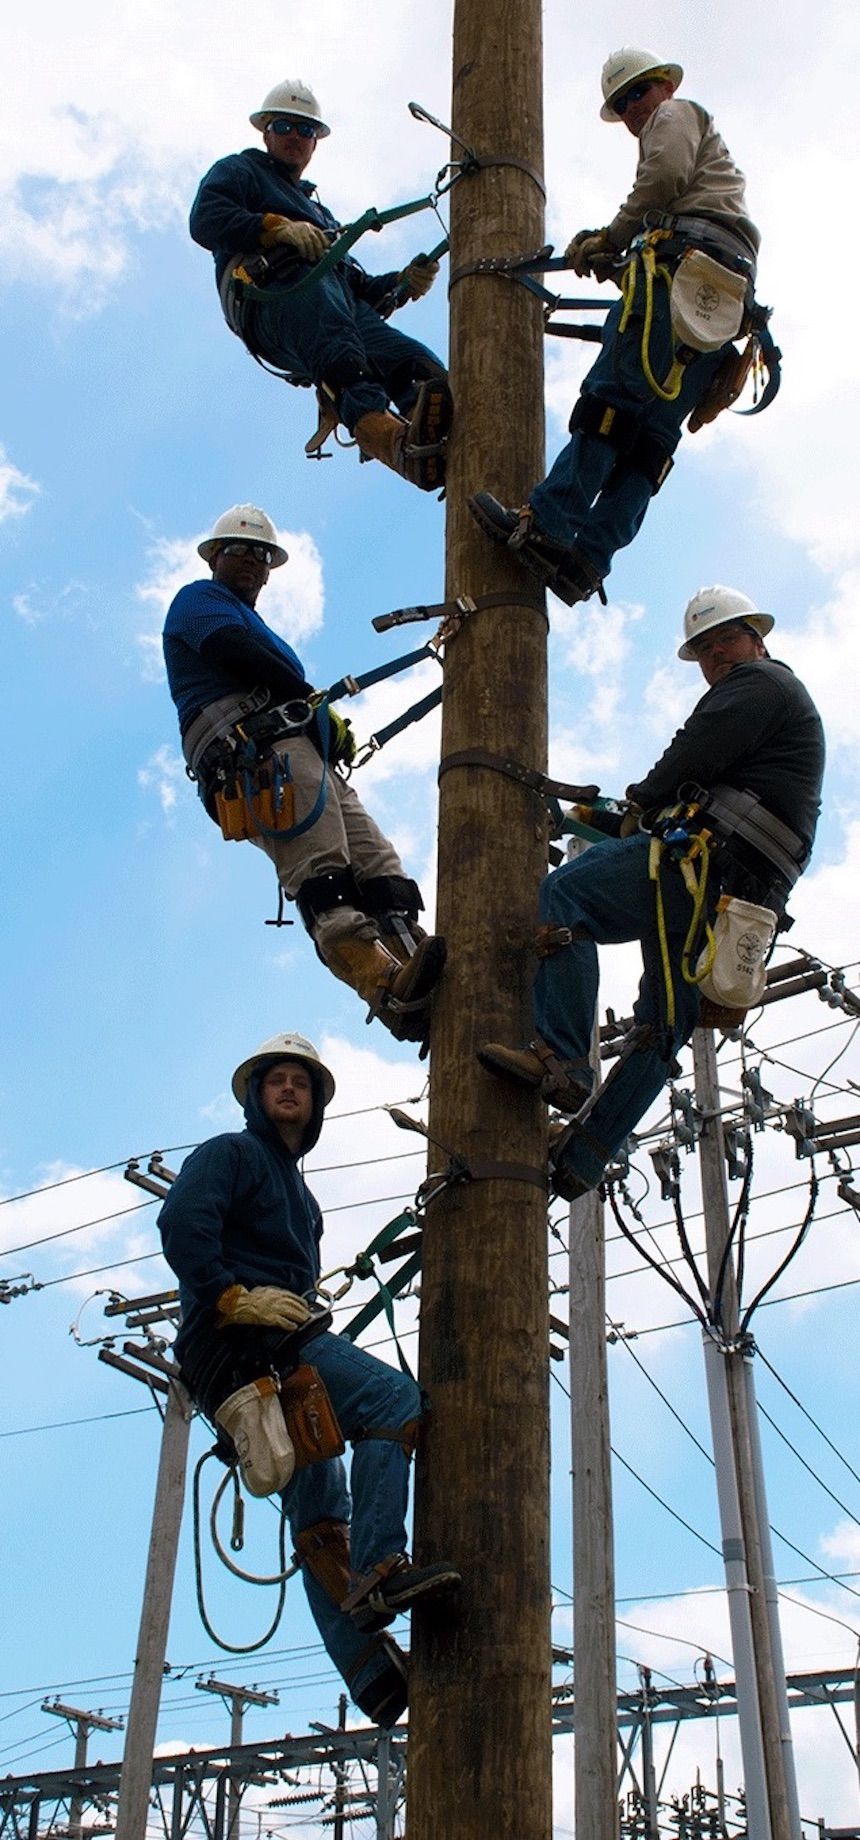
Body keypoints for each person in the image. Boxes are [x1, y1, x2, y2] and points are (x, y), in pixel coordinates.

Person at [477, 588, 825, 1198]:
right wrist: (611, 818)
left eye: (727, 641)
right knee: (663, 1025)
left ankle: (560, 1059)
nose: (717, 656)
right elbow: (685, 801)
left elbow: (688, 758)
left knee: (566, 897)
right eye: (706, 650)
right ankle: (583, 1156)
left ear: (758, 640)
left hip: (707, 867)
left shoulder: (760, 684)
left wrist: (640, 799)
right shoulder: (774, 717)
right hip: (733, 892)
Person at [158, 1031, 461, 1726]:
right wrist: (231, 1296)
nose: (289, 1089)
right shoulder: (230, 1154)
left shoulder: (301, 1194)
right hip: (247, 1345)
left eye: (301, 1081)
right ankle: (383, 1569)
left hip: (266, 1348)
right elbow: (181, 1222)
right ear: (258, 1097)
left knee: (322, 1522)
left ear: (315, 1102)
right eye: (277, 1080)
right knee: (391, 1400)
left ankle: (369, 1674)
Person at [470, 49, 761, 604]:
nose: (633, 109)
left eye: (639, 93)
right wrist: (621, 255)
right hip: (720, 302)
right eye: (622, 103)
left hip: (683, 270)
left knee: (609, 406)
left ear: (664, 87)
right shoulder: (708, 163)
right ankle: (585, 562)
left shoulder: (675, 116)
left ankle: (547, 526)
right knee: (650, 441)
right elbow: (681, 198)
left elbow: (664, 178)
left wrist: (611, 236)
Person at [162, 504, 445, 1044]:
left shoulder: (261, 626)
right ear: (215, 556)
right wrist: (310, 701)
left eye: (263, 556)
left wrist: (324, 720)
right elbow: (236, 654)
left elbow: (284, 679)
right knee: (325, 874)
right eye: (242, 550)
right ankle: (384, 986)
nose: (253, 562)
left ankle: (414, 961)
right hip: (256, 757)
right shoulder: (198, 601)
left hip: (300, 754)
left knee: (380, 867)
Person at [190, 79, 452, 491]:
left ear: (316, 143)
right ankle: (393, 444)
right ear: (266, 132)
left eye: (306, 130)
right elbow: (205, 219)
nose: (295, 136)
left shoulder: (319, 211)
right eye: (284, 127)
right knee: (342, 354)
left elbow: (357, 289)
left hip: (331, 301)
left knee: (416, 363)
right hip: (278, 295)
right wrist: (273, 228)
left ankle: (443, 438)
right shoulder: (240, 170)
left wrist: (402, 283)